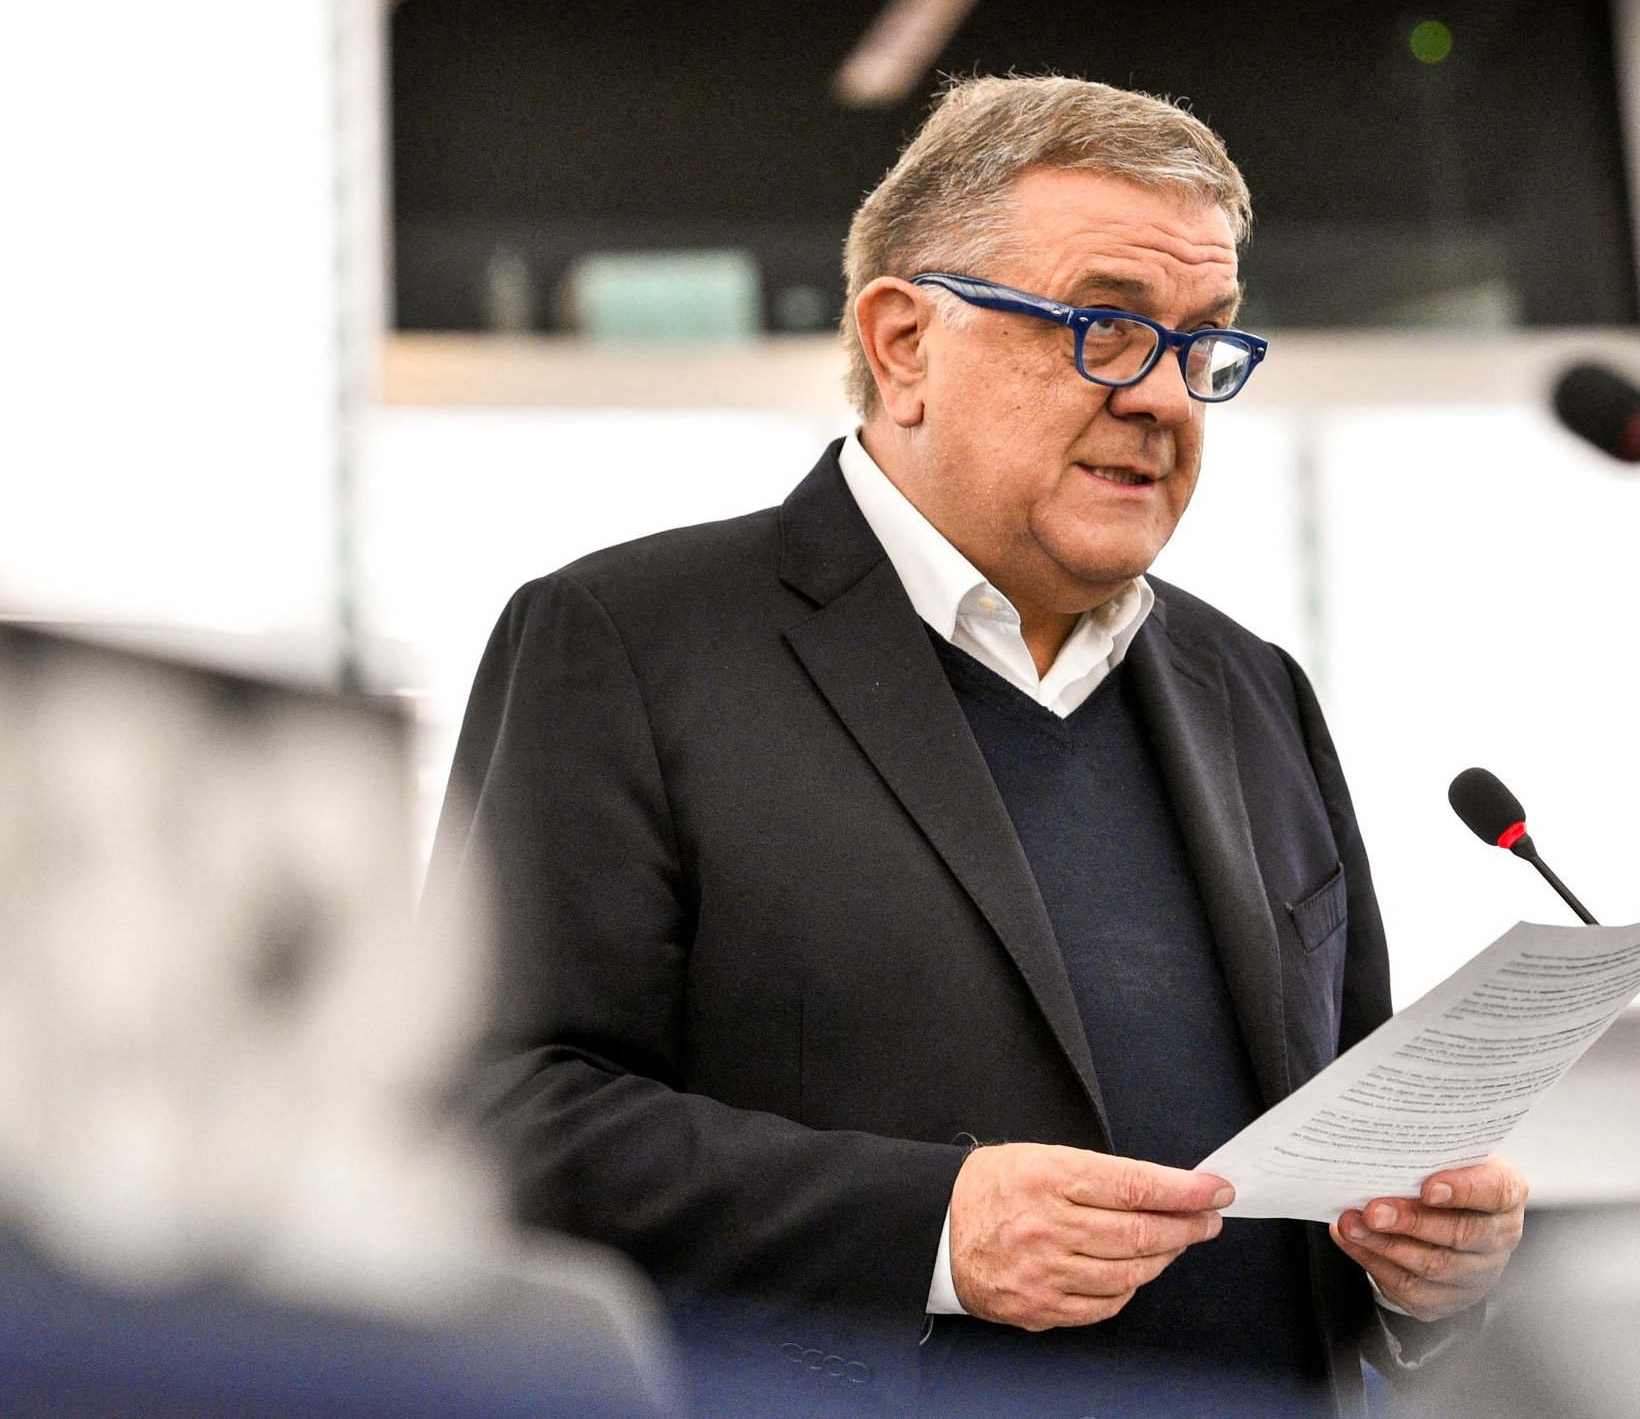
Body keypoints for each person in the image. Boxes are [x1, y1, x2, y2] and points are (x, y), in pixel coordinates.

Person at [431, 76, 1526, 1417]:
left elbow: (1335, 1177)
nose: (1168, 402)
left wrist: (1423, 1273)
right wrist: (932, 1228)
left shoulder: (1255, 695)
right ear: (903, 345)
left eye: (1202, 347)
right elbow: (493, 1120)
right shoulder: (628, 642)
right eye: (1109, 328)